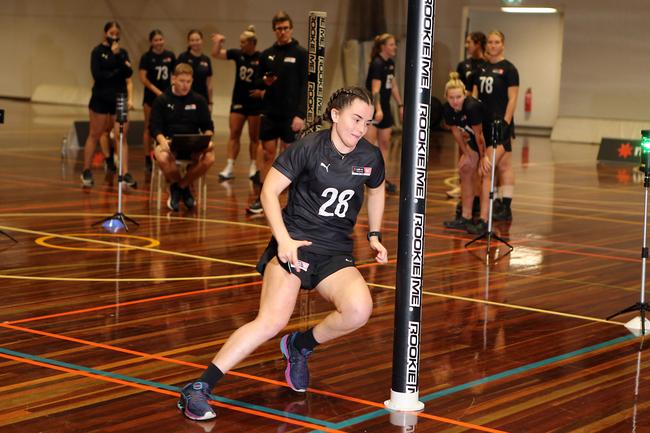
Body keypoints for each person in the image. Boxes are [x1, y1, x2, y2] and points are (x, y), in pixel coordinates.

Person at [176, 87, 387, 421]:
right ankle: (198, 388)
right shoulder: (308, 147)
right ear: (335, 114)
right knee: (271, 321)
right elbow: (269, 191)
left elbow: (376, 190)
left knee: (359, 310)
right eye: (355, 119)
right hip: (295, 243)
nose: (360, 129)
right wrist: (284, 240)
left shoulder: (370, 157)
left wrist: (374, 234)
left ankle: (300, 346)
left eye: (367, 122)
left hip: (334, 251)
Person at [246, 10, 307, 214]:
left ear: (291, 29)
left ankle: (293, 203)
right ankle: (262, 197)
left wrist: (301, 114)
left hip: (291, 115)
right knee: (267, 155)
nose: (282, 32)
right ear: (274, 30)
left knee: (290, 157)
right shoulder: (266, 54)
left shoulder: (301, 53)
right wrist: (265, 81)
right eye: (279, 28)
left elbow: (306, 87)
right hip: (270, 113)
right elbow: (255, 82)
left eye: (285, 28)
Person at [470, 30, 519, 232]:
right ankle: (505, 207)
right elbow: (473, 96)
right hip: (484, 125)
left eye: (497, 42)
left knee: (487, 170)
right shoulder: (480, 68)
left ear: (503, 45)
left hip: (501, 125)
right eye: (490, 42)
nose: (492, 45)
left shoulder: (509, 69)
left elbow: (513, 97)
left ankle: (483, 219)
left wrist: (506, 122)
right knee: (505, 165)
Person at [149, 63, 215, 211]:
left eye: (188, 82)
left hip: (192, 144)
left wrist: (207, 138)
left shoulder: (199, 100)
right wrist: (162, 141)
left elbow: (208, 127)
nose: (185, 85)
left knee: (210, 156)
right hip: (169, 142)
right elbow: (154, 128)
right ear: (173, 79)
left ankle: (179, 187)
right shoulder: (162, 100)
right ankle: (185, 191)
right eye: (182, 81)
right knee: (162, 156)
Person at [81, 21, 136, 188]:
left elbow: (128, 72)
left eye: (117, 33)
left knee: (121, 136)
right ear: (105, 33)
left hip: (119, 98)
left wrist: (118, 57)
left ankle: (125, 173)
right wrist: (115, 72)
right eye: (111, 33)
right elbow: (98, 75)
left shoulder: (123, 53)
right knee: (95, 134)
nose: (114, 36)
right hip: (100, 98)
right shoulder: (97, 52)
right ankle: (86, 170)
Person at [210, 26, 263, 181]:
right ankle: (229, 166)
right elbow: (215, 54)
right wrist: (218, 42)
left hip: (255, 104)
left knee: (254, 137)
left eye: (243, 42)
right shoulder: (237, 54)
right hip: (238, 101)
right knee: (234, 134)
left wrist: (262, 91)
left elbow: (271, 77)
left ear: (252, 43)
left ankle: (253, 167)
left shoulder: (262, 57)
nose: (240, 45)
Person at [441, 72, 487, 232]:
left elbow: (480, 135)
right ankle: (466, 217)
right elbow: (456, 132)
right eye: (451, 97)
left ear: (465, 94)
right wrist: (466, 152)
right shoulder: (448, 109)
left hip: (489, 138)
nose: (455, 101)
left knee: (481, 173)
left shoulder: (471, 107)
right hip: (474, 140)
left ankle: (483, 218)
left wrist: (482, 158)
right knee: (464, 168)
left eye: (458, 97)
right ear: (446, 96)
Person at [364, 33, 404, 195]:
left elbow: (392, 85)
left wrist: (400, 105)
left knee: (385, 144)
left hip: (385, 108)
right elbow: (375, 90)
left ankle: (381, 177)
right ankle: (364, 177)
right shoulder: (377, 64)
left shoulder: (390, 63)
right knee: (369, 145)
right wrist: (377, 109)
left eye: (395, 44)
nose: (395, 47)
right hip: (374, 108)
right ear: (383, 47)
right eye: (392, 44)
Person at [139, 29, 176, 172]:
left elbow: (175, 75)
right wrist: (158, 92)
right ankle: (147, 157)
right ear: (151, 42)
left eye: (161, 39)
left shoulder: (170, 56)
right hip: (151, 97)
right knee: (149, 126)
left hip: (167, 96)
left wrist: (171, 90)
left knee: (167, 126)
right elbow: (143, 78)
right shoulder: (146, 57)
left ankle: (165, 153)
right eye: (156, 40)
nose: (159, 42)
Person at [178, 30, 213, 111]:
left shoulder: (206, 59)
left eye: (197, 40)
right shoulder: (183, 57)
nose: (195, 42)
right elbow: (175, 79)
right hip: (185, 98)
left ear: (202, 41)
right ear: (188, 42)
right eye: (192, 40)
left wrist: (210, 103)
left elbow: (209, 83)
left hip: (203, 99)